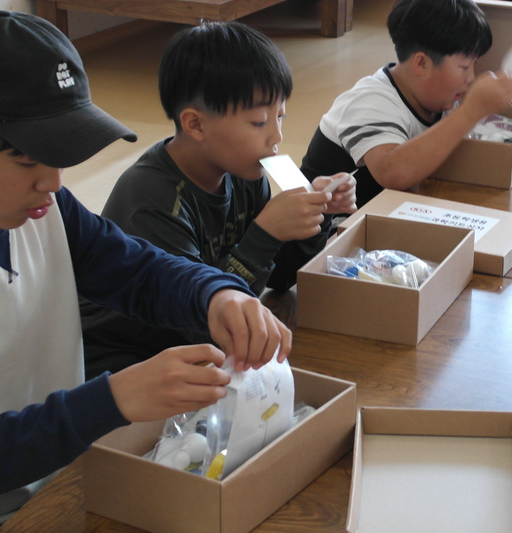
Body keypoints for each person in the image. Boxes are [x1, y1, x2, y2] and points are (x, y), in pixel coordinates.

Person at [0, 11, 291, 533]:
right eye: (28, 162)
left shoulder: (42, 207)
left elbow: (138, 270)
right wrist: (111, 401)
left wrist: (216, 294)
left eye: (61, 157)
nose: (54, 183)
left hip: (70, 479)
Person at [80, 21, 354, 376]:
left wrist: (315, 215)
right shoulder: (150, 201)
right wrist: (265, 234)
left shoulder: (244, 172)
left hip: (193, 345)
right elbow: (200, 324)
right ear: (196, 125)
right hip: (124, 355)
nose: (276, 137)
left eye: (280, 116)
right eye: (259, 122)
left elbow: (281, 277)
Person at [300, 0, 512, 206]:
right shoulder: (370, 103)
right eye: (464, 67)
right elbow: (393, 172)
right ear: (421, 64)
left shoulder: (439, 96)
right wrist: (471, 110)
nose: (471, 77)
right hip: (326, 236)